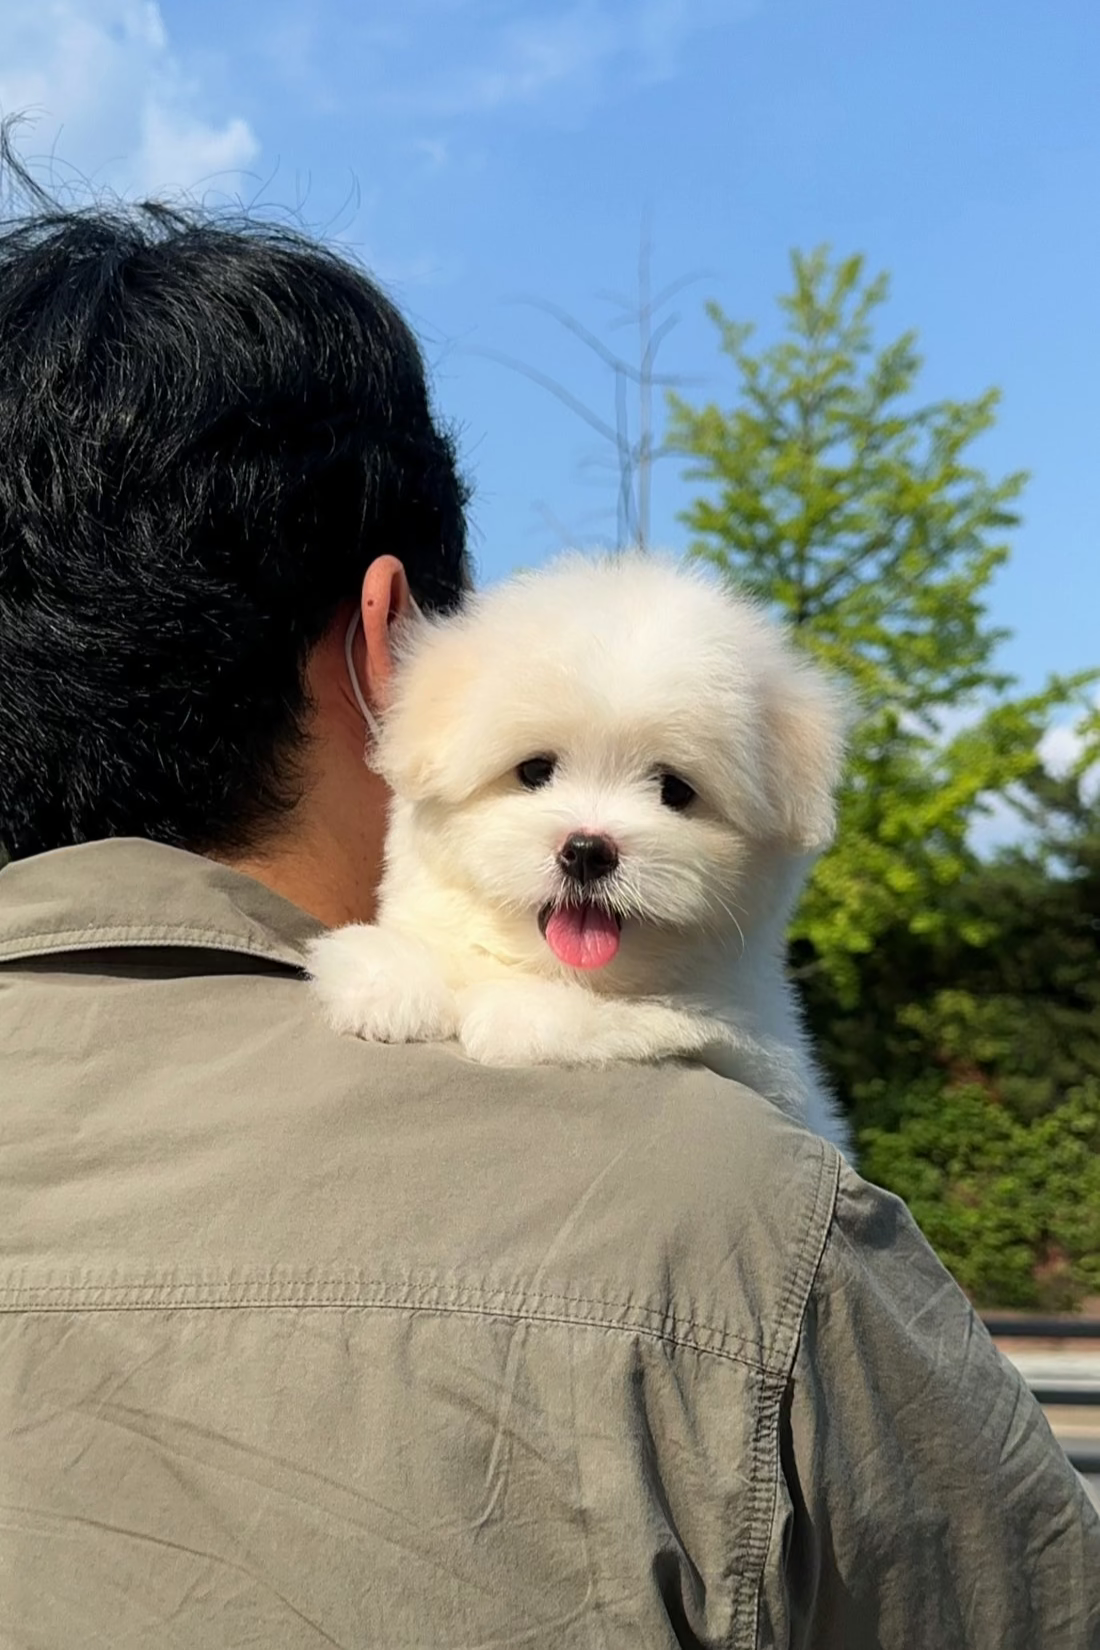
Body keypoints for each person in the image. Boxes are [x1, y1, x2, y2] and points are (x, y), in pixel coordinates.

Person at [0, 143, 1097, 1650]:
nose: (592, 831)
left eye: (670, 787)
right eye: (537, 772)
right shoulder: (745, 1237)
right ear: (394, 655)